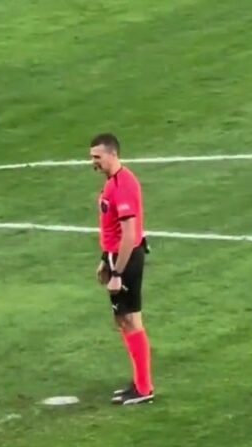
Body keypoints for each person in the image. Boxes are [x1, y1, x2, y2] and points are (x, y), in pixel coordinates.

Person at [90, 133, 154, 406]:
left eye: (97, 157)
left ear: (112, 154)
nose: (93, 162)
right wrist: (106, 259)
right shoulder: (112, 183)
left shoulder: (123, 185)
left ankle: (144, 388)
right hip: (118, 257)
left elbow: (129, 235)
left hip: (126, 259)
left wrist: (117, 273)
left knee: (129, 320)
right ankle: (140, 383)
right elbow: (112, 230)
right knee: (124, 320)